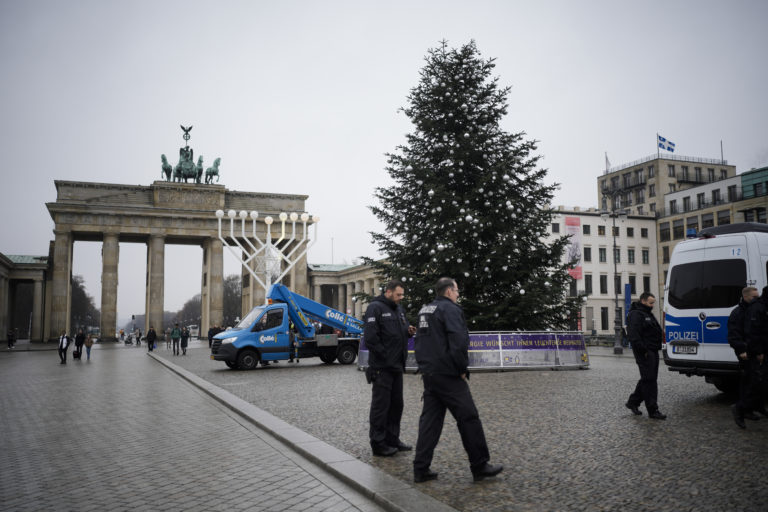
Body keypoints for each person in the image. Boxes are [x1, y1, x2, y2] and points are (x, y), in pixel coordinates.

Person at [412, 277, 503, 483]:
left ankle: (420, 467)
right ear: (448, 292)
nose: (458, 294)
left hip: (430, 374)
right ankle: (480, 465)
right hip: (449, 375)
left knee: (430, 423)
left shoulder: (425, 310)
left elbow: (419, 340)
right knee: (469, 418)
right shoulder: (451, 310)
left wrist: (426, 366)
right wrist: (461, 368)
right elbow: (458, 341)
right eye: (457, 290)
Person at [363, 280, 416, 457]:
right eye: (398, 294)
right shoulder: (375, 308)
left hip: (397, 366)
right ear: (388, 292)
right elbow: (371, 337)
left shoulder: (398, 309)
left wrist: (408, 331)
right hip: (382, 367)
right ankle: (378, 443)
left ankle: (393, 439)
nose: (401, 298)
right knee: (381, 406)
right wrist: (384, 356)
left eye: (402, 295)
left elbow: (400, 328)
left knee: (396, 405)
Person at [625, 292, 667, 420]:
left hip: (652, 350)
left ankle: (633, 402)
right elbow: (634, 336)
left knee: (648, 378)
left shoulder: (647, 313)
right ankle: (653, 410)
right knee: (650, 381)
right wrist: (644, 350)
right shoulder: (636, 314)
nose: (653, 305)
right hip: (645, 352)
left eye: (653, 303)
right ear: (643, 301)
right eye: (651, 303)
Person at [745, 285, 768, 418]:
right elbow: (753, 332)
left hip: (760, 349)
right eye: (754, 297)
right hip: (756, 351)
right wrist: (759, 351)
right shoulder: (756, 308)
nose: (756, 299)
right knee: (756, 382)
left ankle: (757, 406)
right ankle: (741, 408)